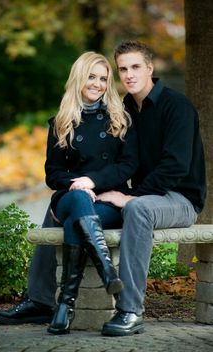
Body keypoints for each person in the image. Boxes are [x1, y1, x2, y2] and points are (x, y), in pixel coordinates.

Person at [0, 51, 139, 334]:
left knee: (77, 221)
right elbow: (53, 173)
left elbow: (128, 165)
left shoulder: (120, 118)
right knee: (77, 200)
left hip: (108, 200)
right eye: (91, 77)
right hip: (69, 196)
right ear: (78, 78)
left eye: (103, 79)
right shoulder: (61, 121)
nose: (97, 84)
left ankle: (64, 306)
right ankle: (107, 271)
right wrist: (77, 183)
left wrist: (93, 181)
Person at [95, 40, 206, 336]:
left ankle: (130, 311)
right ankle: (39, 299)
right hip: (144, 197)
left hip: (180, 199)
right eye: (122, 69)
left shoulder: (177, 106)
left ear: (149, 69)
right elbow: (119, 160)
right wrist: (89, 185)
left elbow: (176, 166)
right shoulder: (126, 110)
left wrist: (130, 196)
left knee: (137, 207)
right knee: (71, 203)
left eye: (135, 67)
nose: (129, 75)